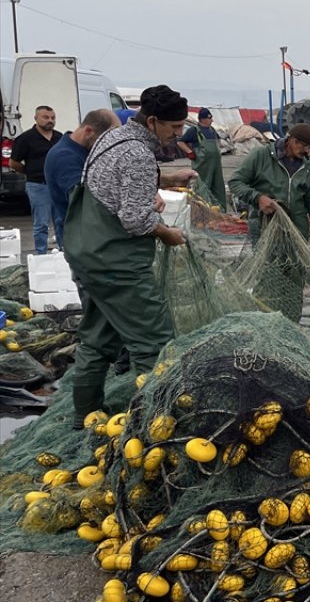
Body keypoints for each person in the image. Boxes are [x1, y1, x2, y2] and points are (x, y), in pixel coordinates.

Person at [63, 85, 196, 425]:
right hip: (116, 262)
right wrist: (169, 234)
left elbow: (117, 183)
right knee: (154, 344)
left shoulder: (113, 137)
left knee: (98, 337)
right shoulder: (138, 154)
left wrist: (167, 177)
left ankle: (85, 414)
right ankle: (160, 422)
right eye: (173, 128)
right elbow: (136, 220)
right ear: (153, 121)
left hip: (87, 251)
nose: (177, 135)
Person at [228, 123, 310, 322]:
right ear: (291, 141)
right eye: (304, 147)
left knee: (295, 281)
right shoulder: (261, 156)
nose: (307, 152)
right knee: (268, 278)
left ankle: (291, 324)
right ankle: (265, 323)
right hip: (265, 230)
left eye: (309, 148)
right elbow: (236, 182)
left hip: (296, 233)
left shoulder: (306, 167)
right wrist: (257, 197)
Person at [44, 109, 120, 250]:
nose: (108, 147)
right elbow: (85, 203)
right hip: (80, 241)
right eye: (105, 141)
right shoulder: (65, 157)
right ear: (89, 131)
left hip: (91, 236)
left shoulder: (84, 151)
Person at [10, 105, 63, 254]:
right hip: (38, 185)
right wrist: (30, 172)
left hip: (57, 186)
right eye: (46, 117)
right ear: (36, 118)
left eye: (53, 118)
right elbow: (13, 163)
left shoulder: (60, 137)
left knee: (61, 221)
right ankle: (41, 254)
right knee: (41, 223)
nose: (50, 121)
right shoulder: (25, 139)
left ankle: (63, 251)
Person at [176, 108, 226, 208]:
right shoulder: (194, 130)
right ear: (203, 119)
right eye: (209, 118)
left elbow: (218, 142)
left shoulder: (212, 130)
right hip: (202, 164)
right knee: (202, 186)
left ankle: (220, 208)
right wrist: (190, 152)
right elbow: (180, 142)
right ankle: (201, 209)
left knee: (218, 186)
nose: (212, 120)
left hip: (216, 164)